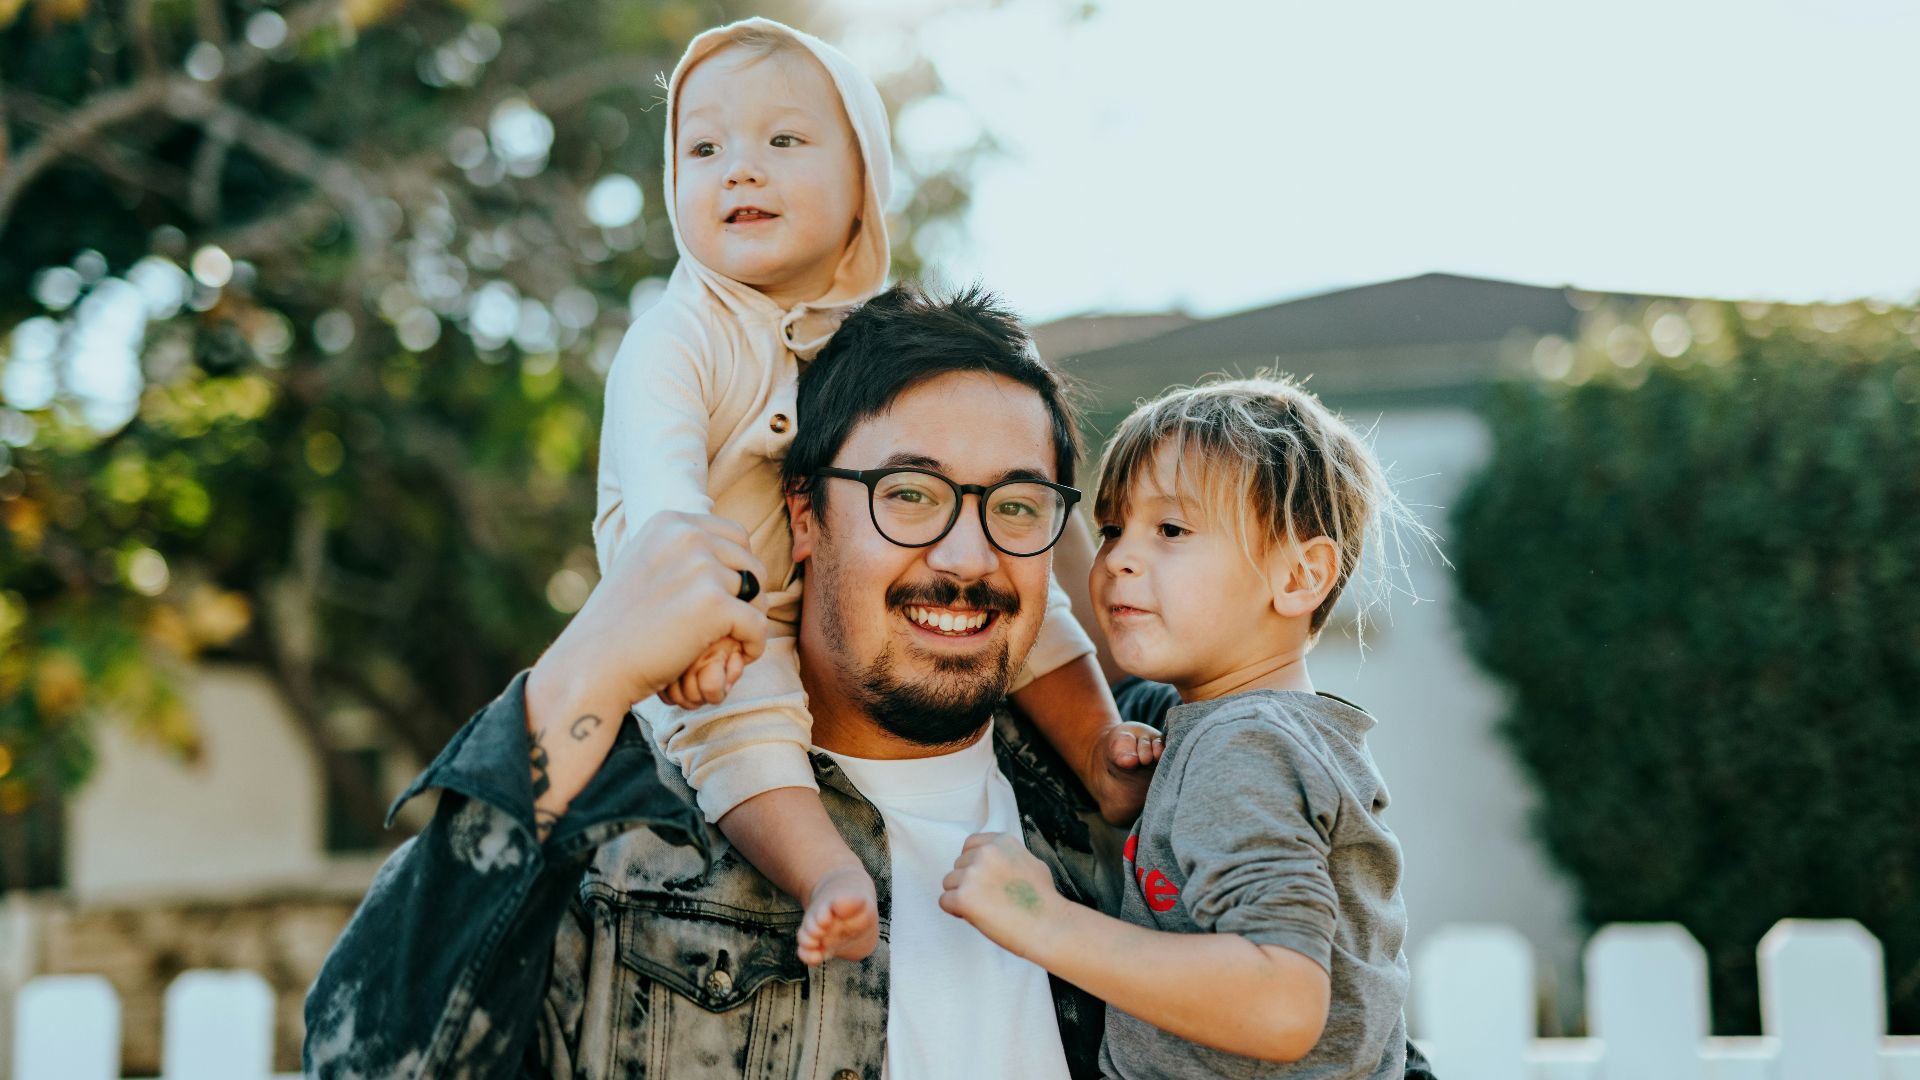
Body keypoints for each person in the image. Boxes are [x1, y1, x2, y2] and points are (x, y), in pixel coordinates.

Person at [306, 284, 1130, 1079]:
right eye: (909, 495)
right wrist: (583, 669)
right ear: (803, 515)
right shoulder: (627, 840)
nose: (967, 557)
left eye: (1018, 507)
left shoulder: (1146, 808)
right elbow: (369, 1063)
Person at [592, 17, 1152, 968]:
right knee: (742, 730)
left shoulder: (875, 342)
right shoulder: (679, 335)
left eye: (783, 141)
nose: (740, 170)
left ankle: (1101, 749)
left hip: (795, 596)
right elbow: (663, 498)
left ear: (865, 188)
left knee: (1033, 601)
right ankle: (825, 873)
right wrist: (694, 623)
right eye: (704, 147)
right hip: (713, 615)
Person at [941, 377, 1426, 1078]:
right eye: (1112, 529)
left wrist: (1039, 919)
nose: (1117, 560)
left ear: (1298, 576)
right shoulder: (1245, 730)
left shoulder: (1244, 747)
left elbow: (1282, 1002)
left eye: (1171, 530)